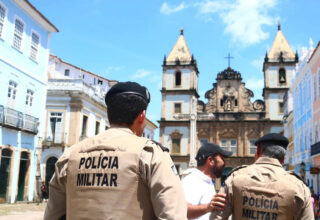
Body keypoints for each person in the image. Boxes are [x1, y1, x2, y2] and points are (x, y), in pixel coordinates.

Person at [44, 81, 187, 220]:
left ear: (109, 115)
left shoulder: (70, 156)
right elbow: (173, 215)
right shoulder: (150, 154)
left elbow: (52, 215)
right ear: (142, 116)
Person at [210, 133, 314, 220]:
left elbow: (217, 217)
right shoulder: (299, 187)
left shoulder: (235, 179)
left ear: (258, 150)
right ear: (283, 159)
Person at [182, 142, 232, 219]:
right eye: (222, 158)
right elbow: (183, 210)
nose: (224, 163)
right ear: (211, 160)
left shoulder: (207, 181)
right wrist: (208, 207)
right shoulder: (192, 180)